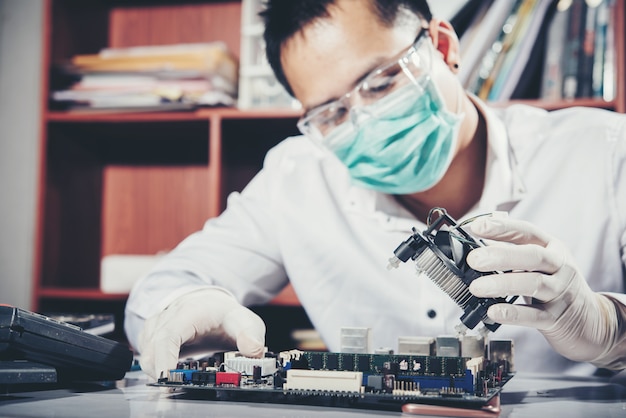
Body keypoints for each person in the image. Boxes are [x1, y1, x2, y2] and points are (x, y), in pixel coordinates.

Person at [125, 0, 626, 381]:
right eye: (332, 113)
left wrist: (608, 327)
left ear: (444, 49)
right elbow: (159, 292)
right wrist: (189, 306)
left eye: (383, 82)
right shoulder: (296, 178)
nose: (365, 122)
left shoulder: (603, 154)